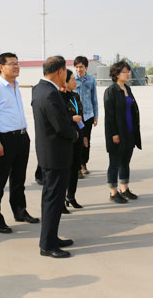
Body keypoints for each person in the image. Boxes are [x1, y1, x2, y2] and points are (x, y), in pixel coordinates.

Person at [0, 52, 39, 234]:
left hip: (21, 137)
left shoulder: (15, 86)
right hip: (4, 139)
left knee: (19, 179)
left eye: (17, 63)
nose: (16, 66)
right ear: (1, 67)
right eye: (12, 64)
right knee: (0, 181)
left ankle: (20, 211)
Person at [31, 56, 78, 258]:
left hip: (49, 153)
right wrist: (75, 134)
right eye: (65, 72)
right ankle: (47, 245)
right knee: (53, 200)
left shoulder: (39, 89)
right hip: (55, 155)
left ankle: (51, 237)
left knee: (52, 199)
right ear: (60, 71)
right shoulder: (51, 93)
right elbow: (61, 126)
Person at [104, 61, 142, 204]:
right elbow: (110, 116)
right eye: (124, 72)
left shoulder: (127, 88)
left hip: (129, 132)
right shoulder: (111, 91)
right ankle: (113, 192)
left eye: (128, 71)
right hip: (117, 133)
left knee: (125, 162)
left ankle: (124, 189)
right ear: (116, 74)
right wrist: (114, 134)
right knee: (114, 163)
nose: (128, 74)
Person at [62, 70, 88, 210]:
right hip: (66, 136)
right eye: (72, 79)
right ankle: (61, 199)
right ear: (65, 82)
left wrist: (84, 135)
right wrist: (71, 118)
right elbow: (58, 117)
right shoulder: (59, 97)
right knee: (65, 169)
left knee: (75, 168)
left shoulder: (75, 96)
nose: (75, 81)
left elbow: (81, 116)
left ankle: (71, 196)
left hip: (78, 133)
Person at [73, 55, 99, 177]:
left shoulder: (91, 80)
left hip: (88, 115)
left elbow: (94, 99)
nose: (79, 69)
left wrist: (96, 116)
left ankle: (84, 164)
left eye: (81, 67)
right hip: (76, 116)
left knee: (86, 140)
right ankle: (77, 166)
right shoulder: (72, 79)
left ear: (86, 67)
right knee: (76, 140)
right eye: (77, 67)